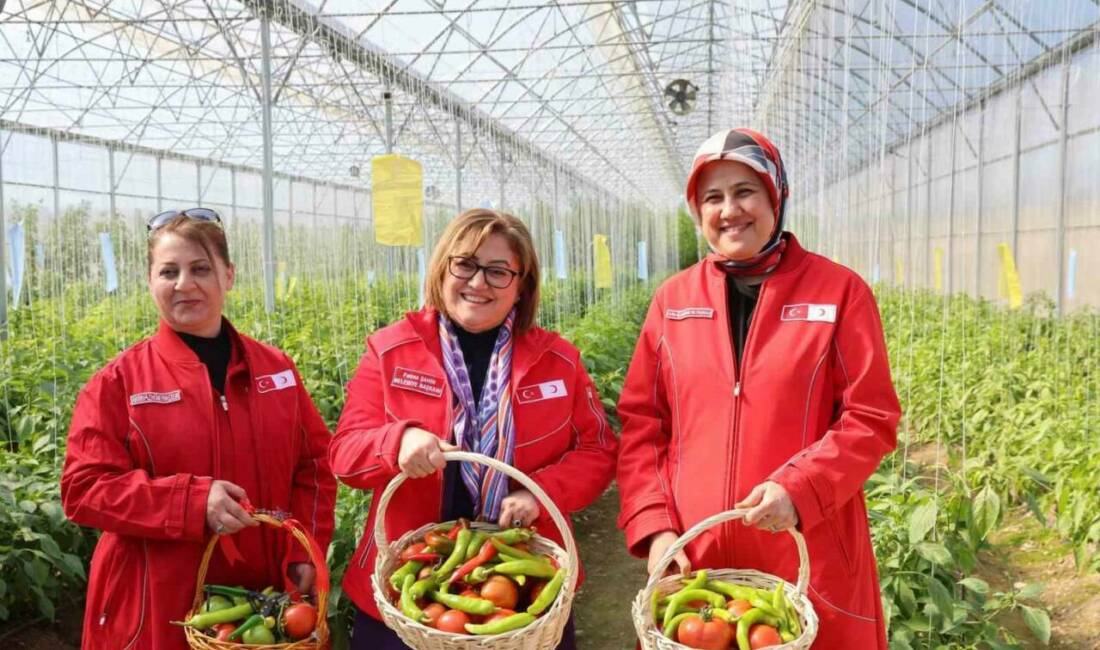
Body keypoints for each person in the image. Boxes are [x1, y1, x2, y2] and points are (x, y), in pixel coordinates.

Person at [616, 128, 900, 648]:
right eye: (713, 197)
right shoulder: (673, 301)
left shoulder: (838, 292)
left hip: (806, 546)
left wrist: (801, 488)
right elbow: (643, 424)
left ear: (776, 195)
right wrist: (656, 527)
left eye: (745, 191)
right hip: (694, 552)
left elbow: (871, 417)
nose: (730, 210)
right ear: (697, 211)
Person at [330, 208, 617, 649]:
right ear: (443, 269)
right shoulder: (391, 351)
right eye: (465, 264)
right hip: (410, 581)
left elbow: (597, 450)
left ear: (522, 287)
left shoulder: (559, 361)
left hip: (519, 586)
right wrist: (396, 440)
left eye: (499, 271)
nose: (478, 282)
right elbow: (345, 454)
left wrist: (540, 492)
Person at [61, 209, 337, 650]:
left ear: (229, 276)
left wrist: (305, 549)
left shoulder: (276, 371)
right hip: (157, 603)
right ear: (150, 281)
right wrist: (189, 501)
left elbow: (316, 466)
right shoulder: (119, 382)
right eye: (168, 271)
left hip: (261, 601)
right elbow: (83, 488)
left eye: (200, 268)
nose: (184, 284)